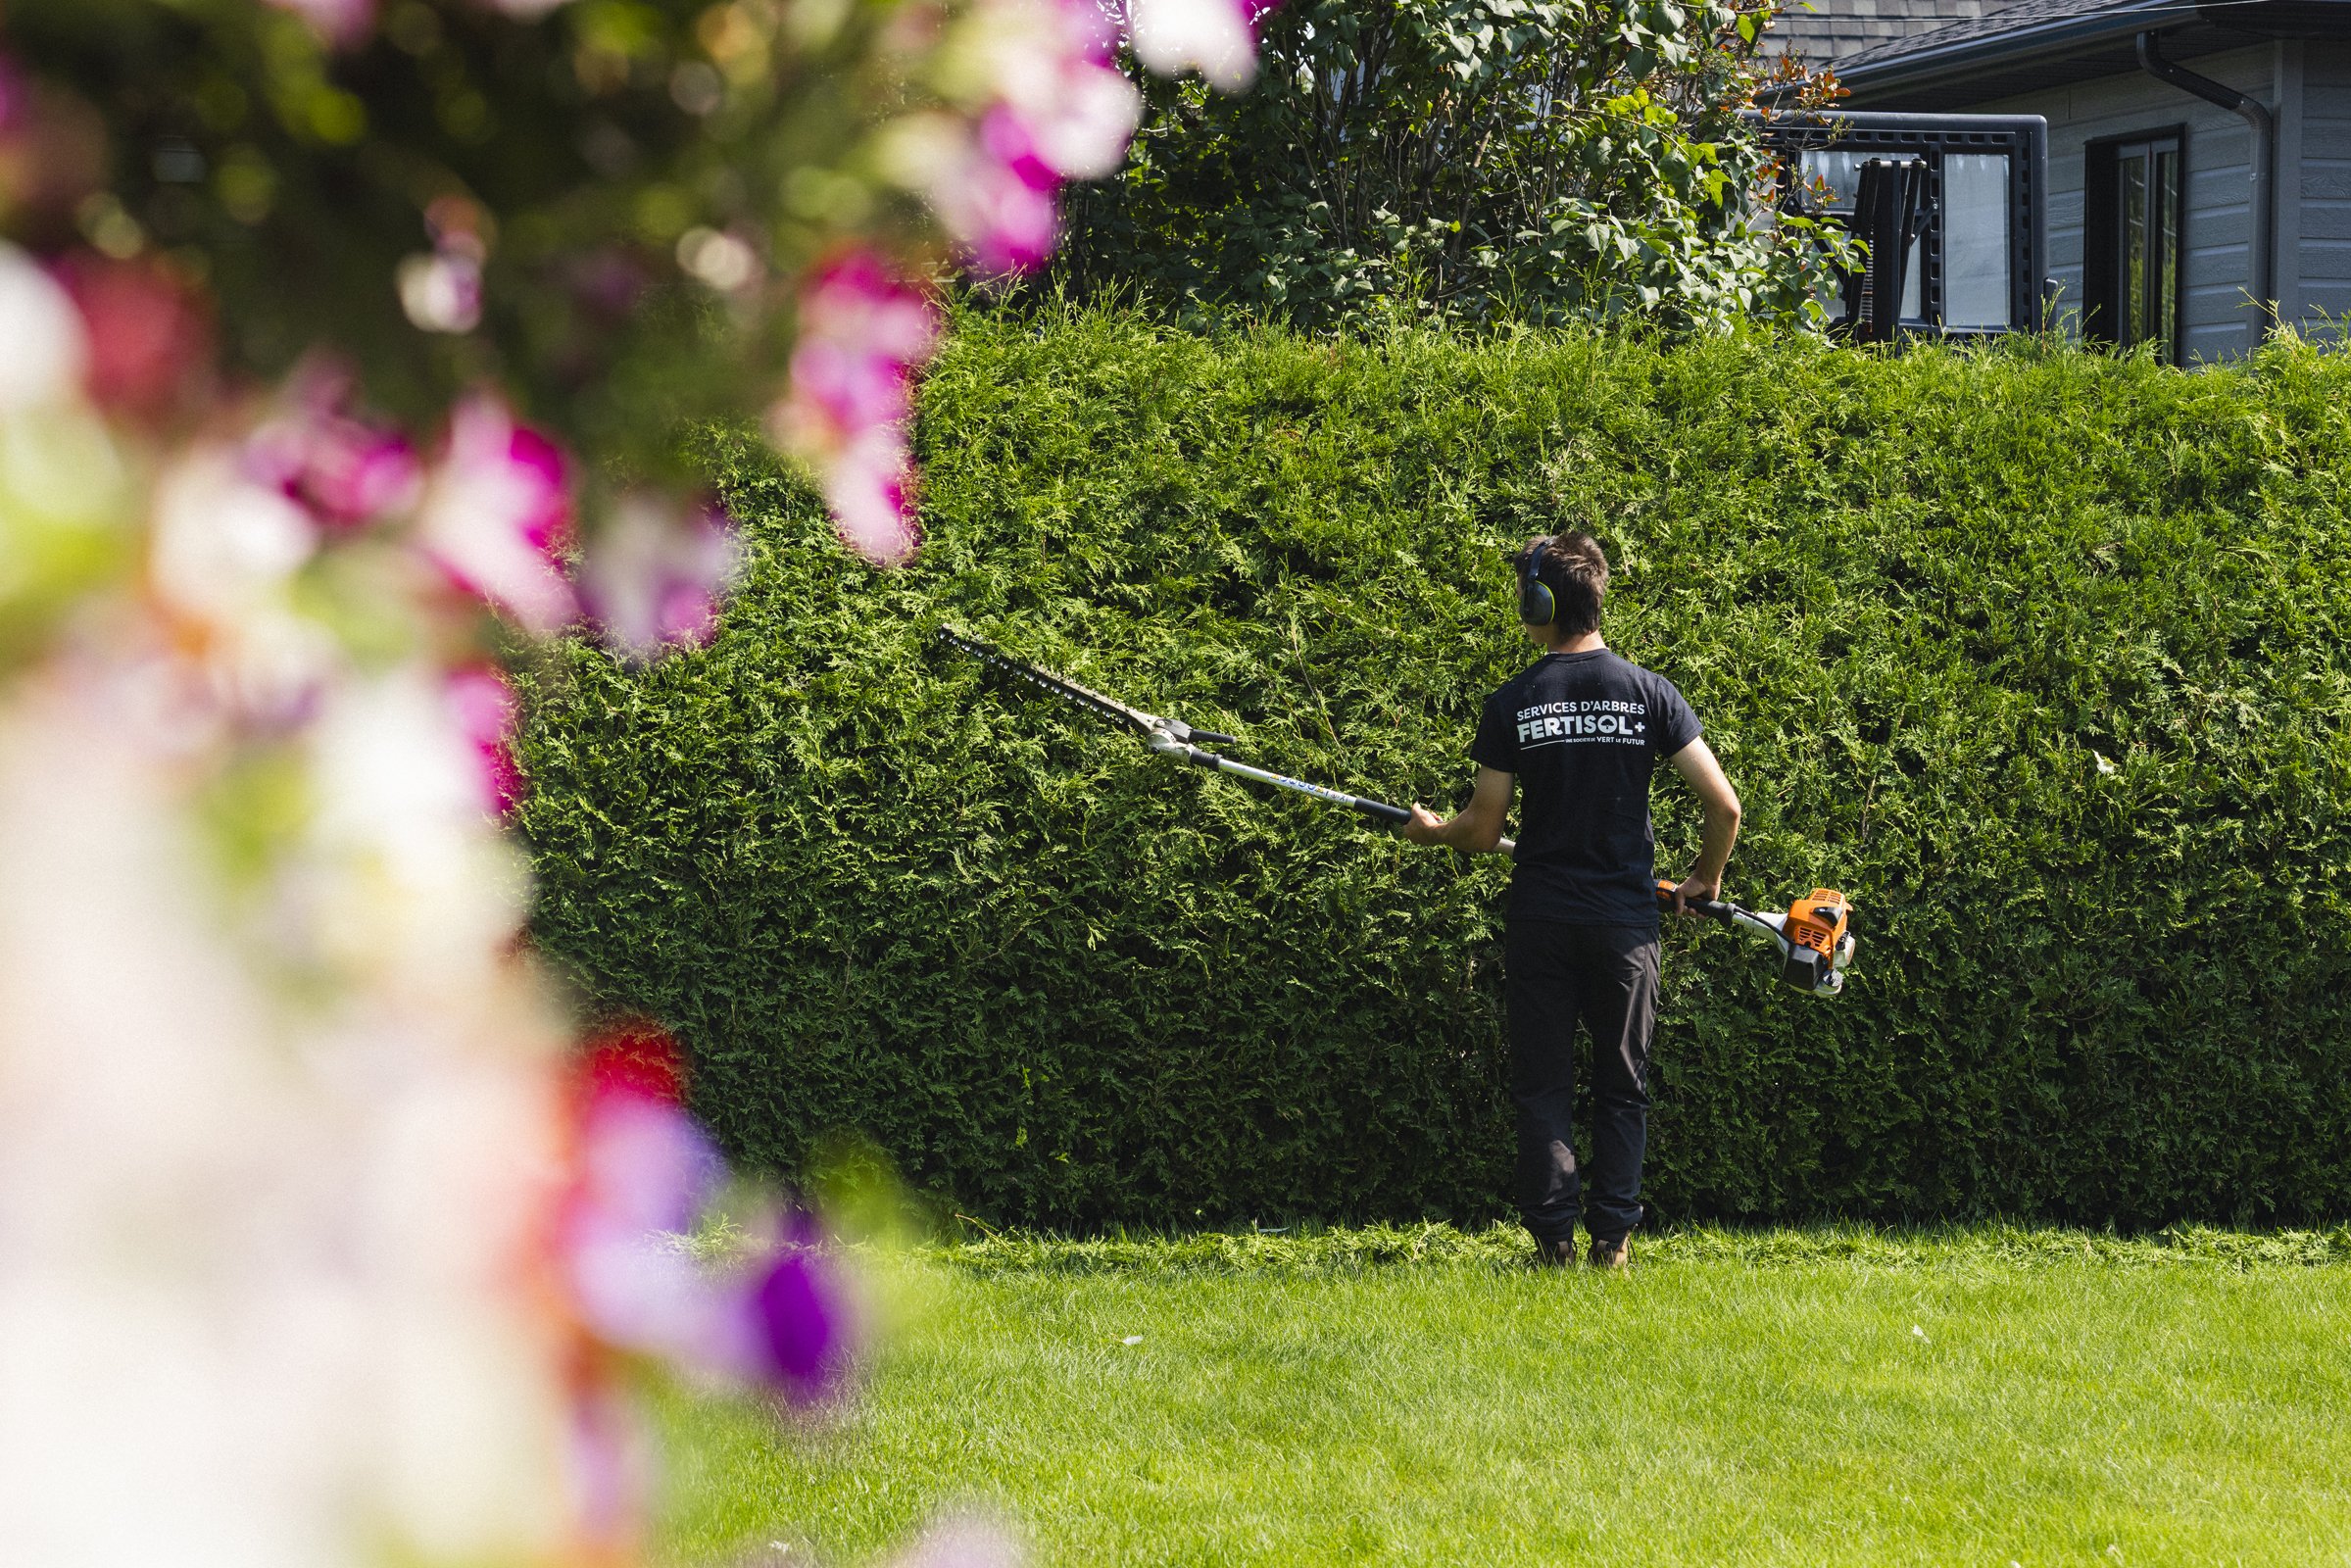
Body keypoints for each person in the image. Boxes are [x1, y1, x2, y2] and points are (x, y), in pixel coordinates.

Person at [1402, 532, 1740, 1270]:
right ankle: (1612, 1246)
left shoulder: (1514, 701)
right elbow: (1724, 808)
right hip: (1624, 925)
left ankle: (1553, 1245)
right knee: (1624, 1087)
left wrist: (1433, 833)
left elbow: (1482, 827)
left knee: (1544, 1088)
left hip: (1543, 920)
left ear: (1540, 603)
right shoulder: (1651, 693)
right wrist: (1703, 880)